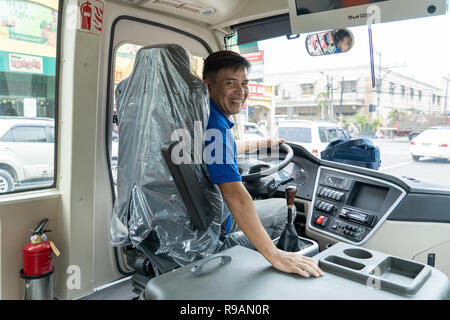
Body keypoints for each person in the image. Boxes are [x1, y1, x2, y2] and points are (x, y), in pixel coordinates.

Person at [202, 50, 323, 278]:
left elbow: (223, 150)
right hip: (219, 225)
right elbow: (235, 196)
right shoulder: (216, 129)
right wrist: (276, 256)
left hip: (201, 219)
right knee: (283, 209)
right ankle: (277, 269)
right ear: (208, 85)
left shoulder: (203, 117)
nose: (241, 92)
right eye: (231, 83)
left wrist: (264, 142)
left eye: (244, 84)